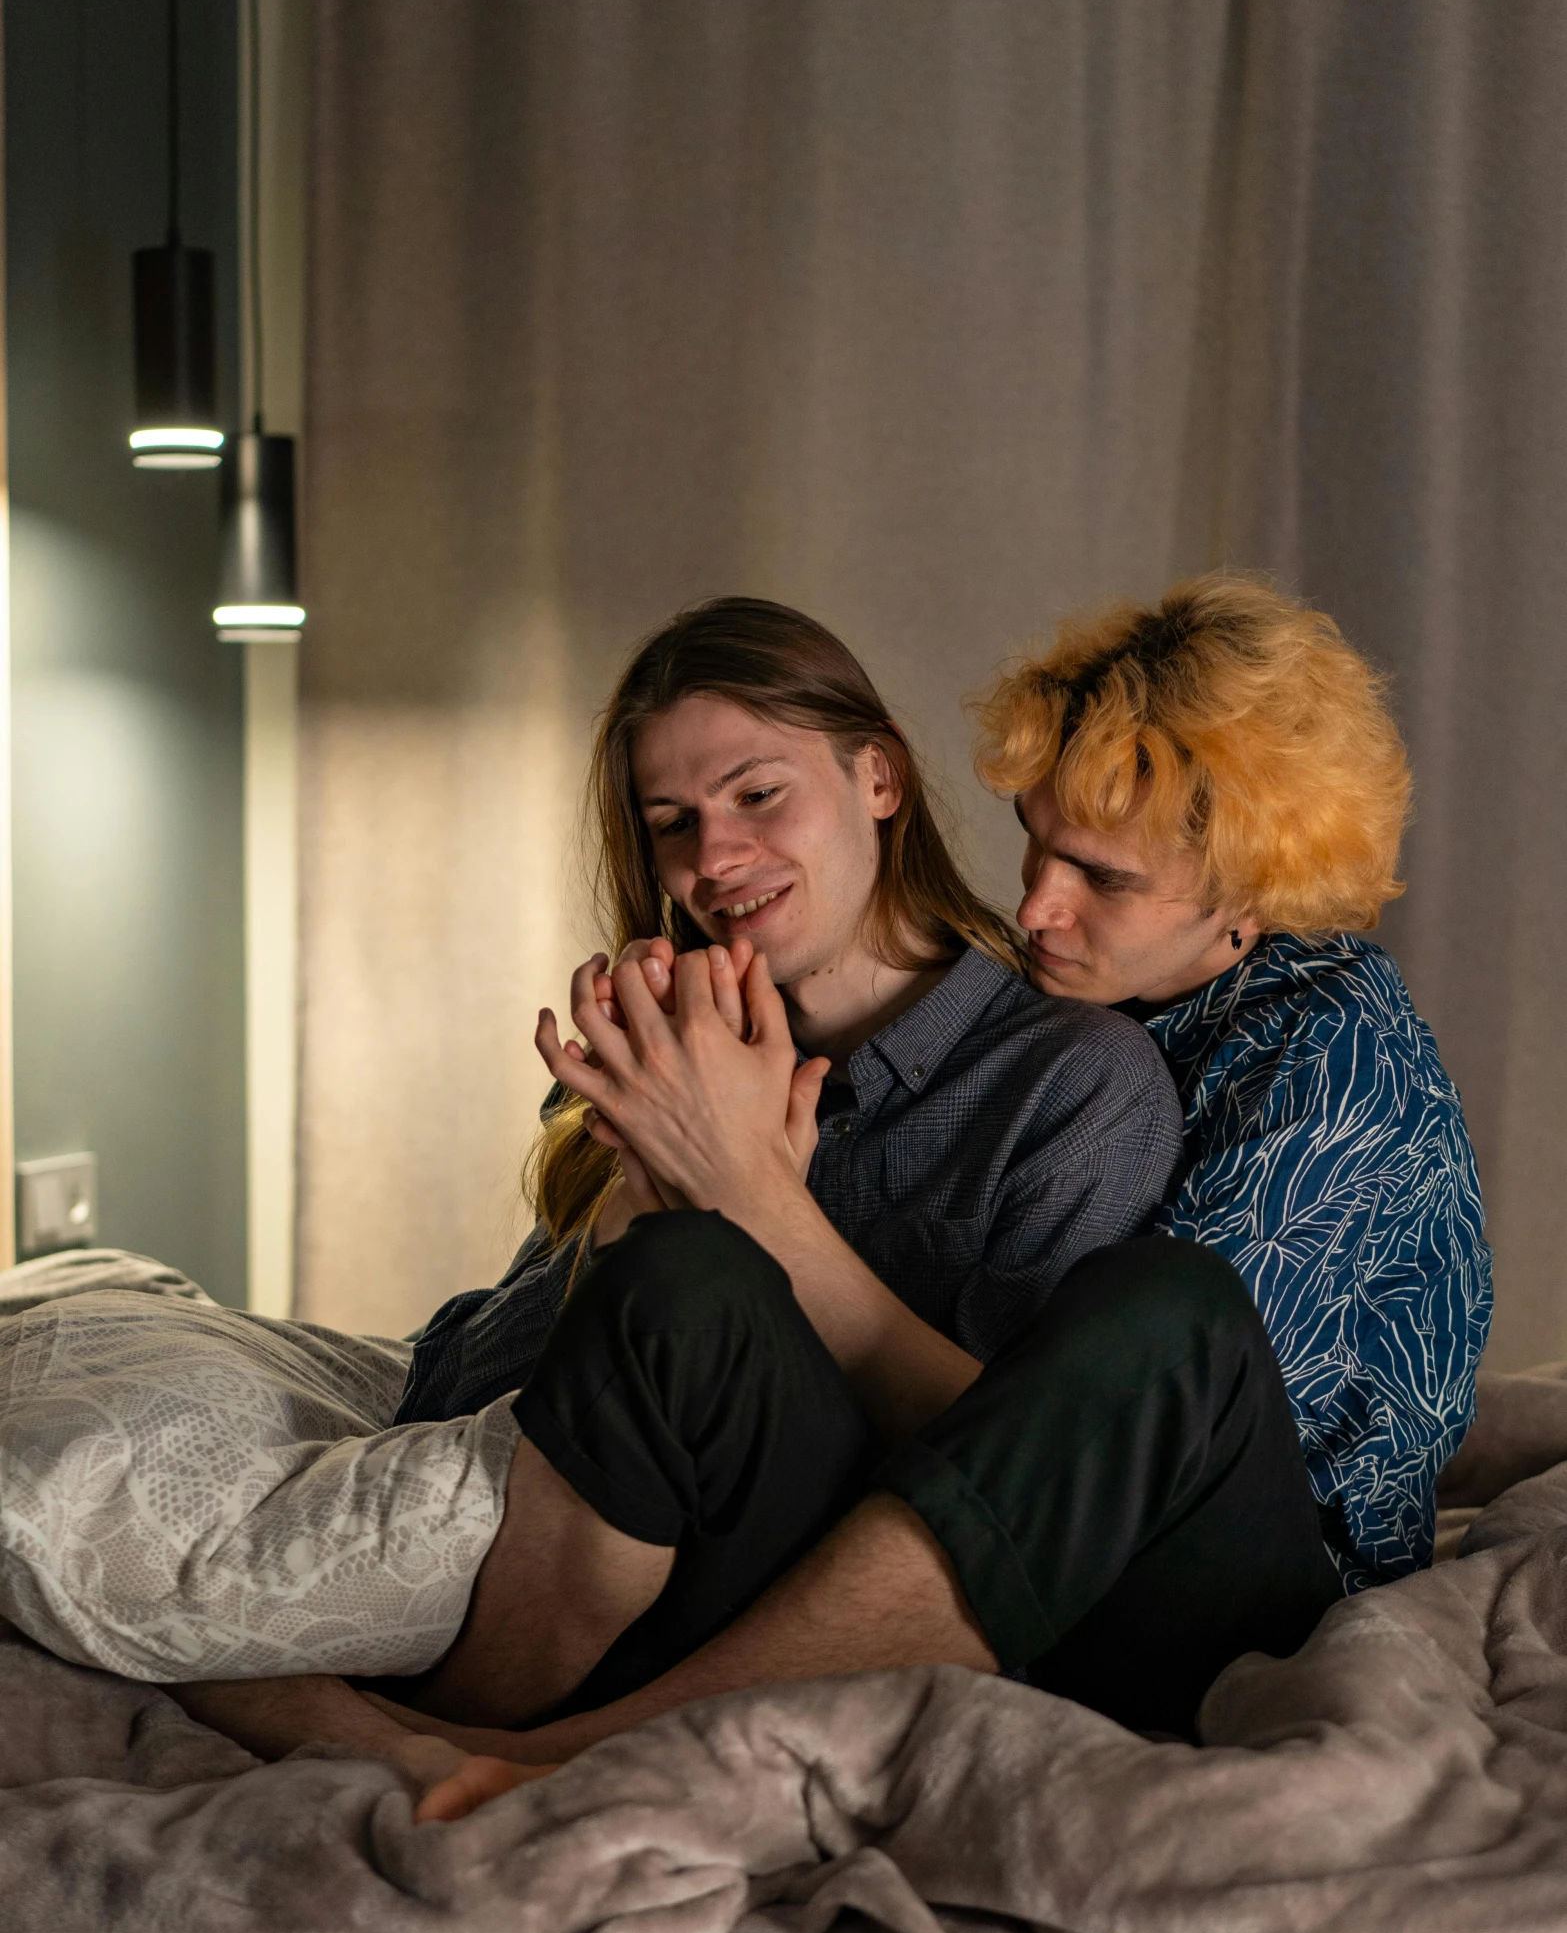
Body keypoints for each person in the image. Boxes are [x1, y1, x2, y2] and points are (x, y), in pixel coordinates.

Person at [167, 597, 1186, 1779]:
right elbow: (451, 1394)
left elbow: (1031, 1476)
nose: (715, 859)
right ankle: (426, 1732)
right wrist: (635, 1192)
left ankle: (446, 1742)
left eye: (758, 794)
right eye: (672, 823)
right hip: (606, 1576)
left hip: (844, 1606)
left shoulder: (1070, 1081)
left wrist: (751, 1198)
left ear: (879, 780)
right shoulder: (664, 1043)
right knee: (672, 1265)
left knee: (698, 1276)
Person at [973, 572, 1492, 1592]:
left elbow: (1131, 1433)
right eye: (1033, 842)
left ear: (1249, 893)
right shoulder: (1115, 990)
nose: (1035, 907)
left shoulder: (1332, 1061)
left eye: (1101, 877)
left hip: (1264, 1567)